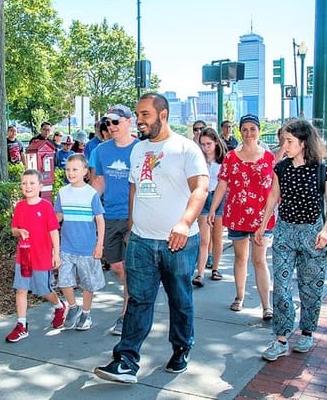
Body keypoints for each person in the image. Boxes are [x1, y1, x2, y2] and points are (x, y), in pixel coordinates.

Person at [94, 93, 208, 383]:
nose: (140, 120)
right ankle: (126, 361)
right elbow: (134, 189)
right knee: (138, 301)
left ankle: (181, 348)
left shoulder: (185, 148)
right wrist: (132, 228)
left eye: (145, 114)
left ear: (163, 115)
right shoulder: (137, 150)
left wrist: (184, 223)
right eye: (138, 114)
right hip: (142, 241)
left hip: (178, 243)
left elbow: (200, 188)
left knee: (179, 300)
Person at [256, 119, 327, 361]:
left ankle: (307, 331)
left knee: (310, 286)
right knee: (280, 288)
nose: (285, 145)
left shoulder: (323, 169)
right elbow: (272, 197)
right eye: (284, 140)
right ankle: (281, 338)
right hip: (284, 232)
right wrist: (263, 226)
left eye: (289, 141)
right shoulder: (281, 168)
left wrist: (325, 230)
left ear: (303, 142)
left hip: (312, 233)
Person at [208, 114, 275, 319]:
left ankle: (266, 305)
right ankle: (239, 296)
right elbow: (222, 183)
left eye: (252, 129)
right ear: (239, 131)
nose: (248, 133)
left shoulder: (268, 158)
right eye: (244, 129)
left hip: (262, 217)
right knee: (240, 257)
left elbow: (275, 189)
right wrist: (213, 208)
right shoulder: (230, 157)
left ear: (259, 131)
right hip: (237, 213)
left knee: (259, 259)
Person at [90, 104, 139, 336]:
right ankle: (135, 294)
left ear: (130, 122)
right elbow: (99, 181)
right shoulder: (101, 151)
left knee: (129, 266)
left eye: (116, 122)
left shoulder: (142, 149)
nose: (111, 126)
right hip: (109, 216)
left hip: (136, 218)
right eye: (107, 123)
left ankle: (126, 314)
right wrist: (85, 204)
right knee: (117, 265)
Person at [6, 169, 66, 342]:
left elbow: (53, 231)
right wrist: (19, 231)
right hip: (24, 256)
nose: (28, 186)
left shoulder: (46, 206)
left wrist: (56, 253)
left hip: (42, 256)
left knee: (44, 290)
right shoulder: (19, 206)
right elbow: (13, 229)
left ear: (40, 186)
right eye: (24, 183)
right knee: (21, 289)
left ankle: (59, 306)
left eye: (32, 183)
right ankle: (22, 324)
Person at [54, 154, 105, 331]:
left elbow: (100, 220)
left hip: (87, 249)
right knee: (64, 281)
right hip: (67, 247)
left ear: (85, 171)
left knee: (87, 283)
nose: (70, 172)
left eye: (75, 169)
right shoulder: (62, 193)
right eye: (68, 169)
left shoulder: (91, 194)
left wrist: (99, 245)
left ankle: (86, 313)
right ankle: (73, 307)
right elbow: (58, 216)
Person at [192, 127, 227, 287]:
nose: (206, 148)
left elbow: (224, 183)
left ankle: (215, 268)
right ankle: (199, 273)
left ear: (216, 143)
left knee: (217, 236)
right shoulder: (199, 160)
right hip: (204, 197)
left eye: (208, 144)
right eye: (203, 144)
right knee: (204, 238)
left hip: (218, 197)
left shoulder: (224, 161)